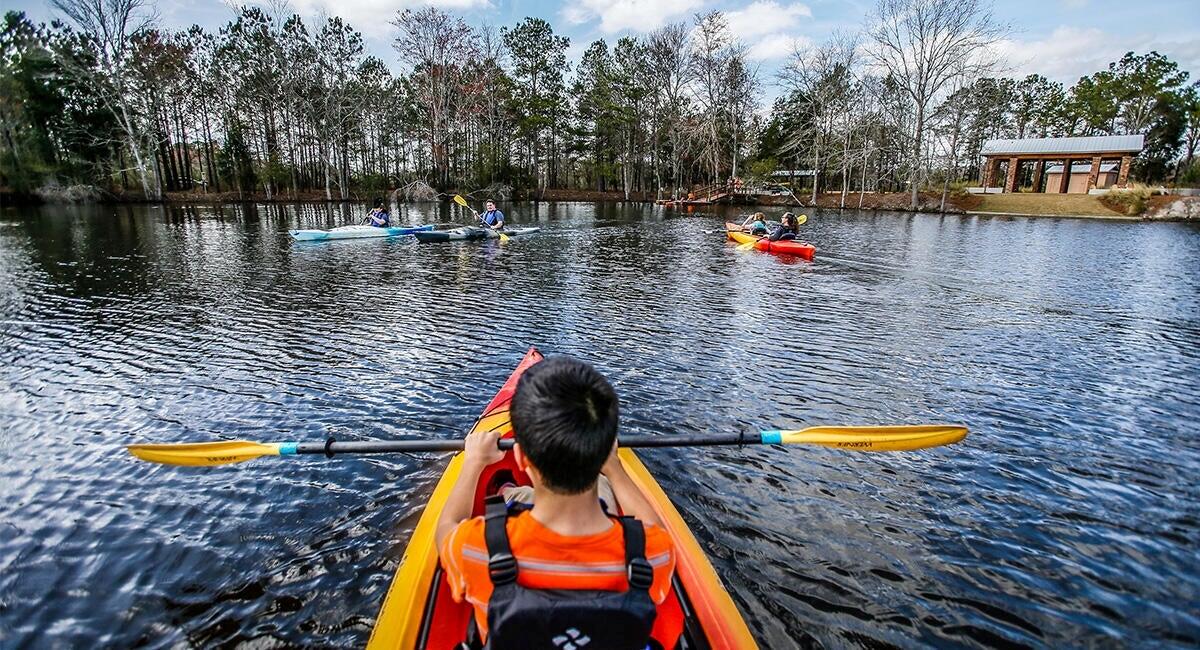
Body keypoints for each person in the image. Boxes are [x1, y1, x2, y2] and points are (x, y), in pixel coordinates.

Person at [437, 356, 680, 649]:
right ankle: (516, 492)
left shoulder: (477, 547)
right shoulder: (653, 553)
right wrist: (615, 469)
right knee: (604, 491)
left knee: (513, 498)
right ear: (603, 452)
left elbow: (445, 531)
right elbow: (654, 526)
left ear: (521, 458)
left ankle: (509, 491)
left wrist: (472, 464)